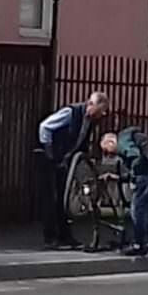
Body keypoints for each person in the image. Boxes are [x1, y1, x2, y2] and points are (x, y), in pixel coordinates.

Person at [37, 92, 110, 249]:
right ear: (90, 104)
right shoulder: (71, 112)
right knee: (51, 198)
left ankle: (65, 236)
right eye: (99, 111)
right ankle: (51, 238)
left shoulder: (90, 121)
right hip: (50, 157)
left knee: (63, 198)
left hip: (65, 161)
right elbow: (45, 126)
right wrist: (49, 151)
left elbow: (81, 142)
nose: (100, 115)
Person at [100, 127, 148, 260]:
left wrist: (136, 181)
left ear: (111, 142)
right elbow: (139, 166)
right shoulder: (132, 139)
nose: (108, 155)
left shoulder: (123, 140)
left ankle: (139, 244)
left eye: (106, 151)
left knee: (139, 206)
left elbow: (136, 157)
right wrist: (120, 178)